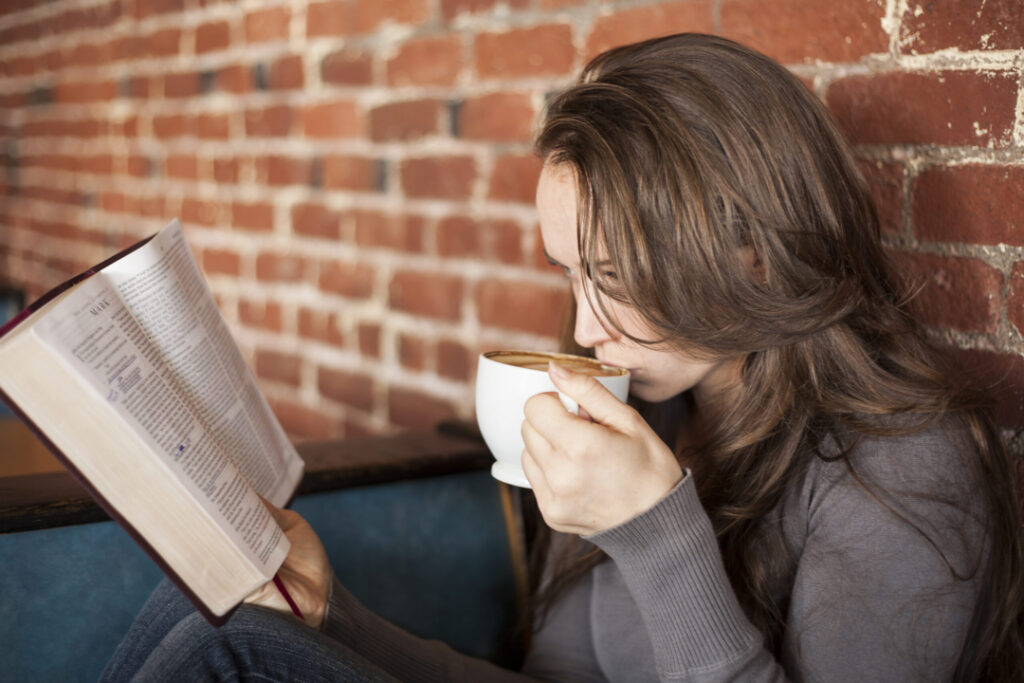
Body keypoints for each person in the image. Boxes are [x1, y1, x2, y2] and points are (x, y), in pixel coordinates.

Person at [101, 33, 1023, 682]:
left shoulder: (904, 470)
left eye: (615, 275)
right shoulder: (655, 413)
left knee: (221, 656)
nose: (583, 329)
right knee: (215, 615)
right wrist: (332, 615)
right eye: (572, 273)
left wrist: (659, 535)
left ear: (751, 252)